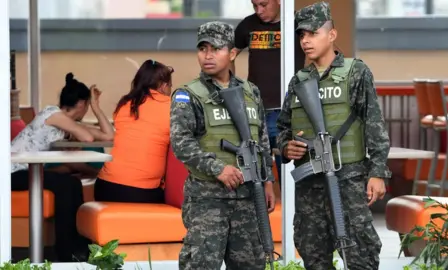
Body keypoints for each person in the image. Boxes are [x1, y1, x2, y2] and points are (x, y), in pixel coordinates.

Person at [276, 2, 391, 270]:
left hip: (348, 179)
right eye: (301, 35)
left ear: (332, 35)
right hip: (309, 187)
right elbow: (283, 127)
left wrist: (377, 172)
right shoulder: (298, 81)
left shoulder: (356, 73)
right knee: (313, 255)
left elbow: (374, 124)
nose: (305, 41)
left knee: (359, 254)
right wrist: (285, 147)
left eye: (313, 33)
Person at [170, 21, 276, 270]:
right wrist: (218, 168)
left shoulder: (251, 92)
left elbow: (260, 139)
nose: (208, 55)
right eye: (203, 48)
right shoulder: (189, 95)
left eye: (216, 49)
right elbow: (181, 142)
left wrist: (268, 180)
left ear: (232, 53)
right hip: (208, 200)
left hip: (249, 198)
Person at [11, 72, 114, 262]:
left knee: (72, 183)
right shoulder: (52, 113)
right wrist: (78, 131)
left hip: (27, 171)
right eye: (88, 106)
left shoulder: (66, 124)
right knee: (67, 185)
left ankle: (77, 247)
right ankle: (67, 252)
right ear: (82, 104)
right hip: (11, 172)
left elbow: (109, 136)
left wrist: (97, 107)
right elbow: (88, 138)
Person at [232, 0, 306, 187]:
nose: (259, 11)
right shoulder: (248, 25)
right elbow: (228, 54)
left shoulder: (298, 23)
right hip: (256, 110)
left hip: (288, 110)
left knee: (290, 177)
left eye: (264, 5)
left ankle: (290, 216)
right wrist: (232, 88)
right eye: (255, 5)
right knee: (255, 174)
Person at [94, 60, 174, 203]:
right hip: (140, 191)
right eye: (170, 87)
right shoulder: (171, 107)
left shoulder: (125, 104)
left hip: (104, 187)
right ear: (163, 86)